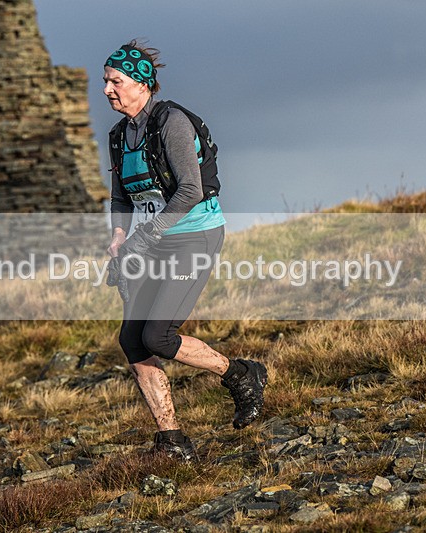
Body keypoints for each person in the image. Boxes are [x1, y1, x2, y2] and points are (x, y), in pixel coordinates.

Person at [103, 40, 268, 461]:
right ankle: (172, 441)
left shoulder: (172, 123)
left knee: (157, 335)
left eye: (115, 81)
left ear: (142, 84)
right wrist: (120, 237)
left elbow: (191, 190)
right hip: (154, 241)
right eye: (105, 81)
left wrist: (146, 234)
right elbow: (121, 198)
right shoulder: (120, 136)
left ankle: (241, 374)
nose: (107, 90)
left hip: (195, 235)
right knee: (132, 340)